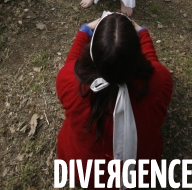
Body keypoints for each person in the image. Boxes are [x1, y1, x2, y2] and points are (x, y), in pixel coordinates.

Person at [56, 12, 173, 189]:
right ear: (137, 52)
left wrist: (85, 29)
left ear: (92, 53)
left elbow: (72, 63)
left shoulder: (70, 81)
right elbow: (152, 65)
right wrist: (141, 31)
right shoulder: (161, 83)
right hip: (141, 171)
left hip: (83, 170)